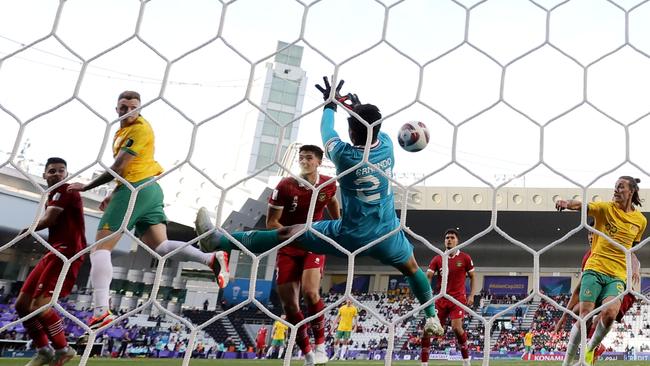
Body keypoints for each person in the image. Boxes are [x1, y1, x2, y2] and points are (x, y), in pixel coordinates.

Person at [195, 77, 444, 338]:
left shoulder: (343, 155)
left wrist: (330, 105)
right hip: (387, 234)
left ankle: (219, 241)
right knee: (413, 269)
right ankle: (431, 317)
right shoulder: (387, 146)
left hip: (349, 234)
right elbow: (371, 128)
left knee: (285, 234)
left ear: (350, 133)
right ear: (378, 129)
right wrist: (355, 108)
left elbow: (327, 129)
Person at [67, 91, 229, 330]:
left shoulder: (139, 129)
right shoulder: (121, 131)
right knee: (161, 247)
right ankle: (209, 258)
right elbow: (131, 168)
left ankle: (101, 311)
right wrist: (114, 193)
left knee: (100, 249)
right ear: (117, 109)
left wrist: (88, 186)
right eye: (124, 107)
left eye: (133, 107)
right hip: (148, 189)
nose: (128, 111)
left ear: (139, 108)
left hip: (137, 190)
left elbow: (120, 167)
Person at [556, 176, 647, 365]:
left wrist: (636, 267)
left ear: (631, 191)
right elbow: (582, 205)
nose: (616, 190)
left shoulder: (640, 221)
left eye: (620, 187)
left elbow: (631, 250)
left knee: (611, 313)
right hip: (595, 269)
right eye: (615, 187)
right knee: (584, 314)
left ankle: (588, 352)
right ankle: (567, 362)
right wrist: (567, 203)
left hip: (617, 275)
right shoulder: (605, 208)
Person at [267, 144, 339, 365]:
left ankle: (320, 345)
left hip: (313, 242)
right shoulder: (285, 186)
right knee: (290, 306)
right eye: (301, 157)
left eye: (309, 158)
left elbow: (332, 202)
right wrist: (291, 234)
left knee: (310, 292)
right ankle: (306, 352)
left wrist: (337, 226)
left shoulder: (328, 184)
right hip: (288, 245)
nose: (304, 161)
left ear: (319, 161)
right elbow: (271, 223)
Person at [15, 157, 82, 366]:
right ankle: (44, 350)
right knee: (22, 305)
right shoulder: (51, 195)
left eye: (61, 170)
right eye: (52, 171)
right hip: (52, 252)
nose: (57, 174)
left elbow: (50, 218)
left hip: (67, 254)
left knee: (40, 306)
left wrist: (31, 228)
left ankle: (63, 349)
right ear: (44, 175)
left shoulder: (67, 191)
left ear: (67, 174)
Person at [421, 229, 476, 366]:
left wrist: (472, 294)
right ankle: (424, 363)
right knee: (428, 330)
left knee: (457, 328)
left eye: (452, 237)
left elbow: (473, 276)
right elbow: (428, 277)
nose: (449, 240)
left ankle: (466, 360)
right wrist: (426, 296)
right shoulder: (438, 258)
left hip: (457, 299)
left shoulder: (465, 258)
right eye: (447, 238)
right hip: (440, 299)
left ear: (457, 241)